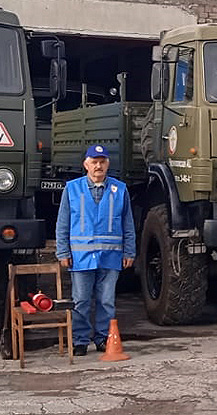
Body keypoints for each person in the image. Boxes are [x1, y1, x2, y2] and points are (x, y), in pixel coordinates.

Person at [55, 144, 136, 356]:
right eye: (94, 162)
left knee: (106, 301)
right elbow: (63, 223)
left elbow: (128, 223)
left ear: (108, 164)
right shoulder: (72, 189)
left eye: (102, 162)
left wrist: (129, 251)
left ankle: (103, 338)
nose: (98, 166)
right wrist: (63, 252)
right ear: (86, 164)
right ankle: (80, 341)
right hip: (81, 257)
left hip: (111, 257)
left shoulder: (120, 190)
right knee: (81, 300)